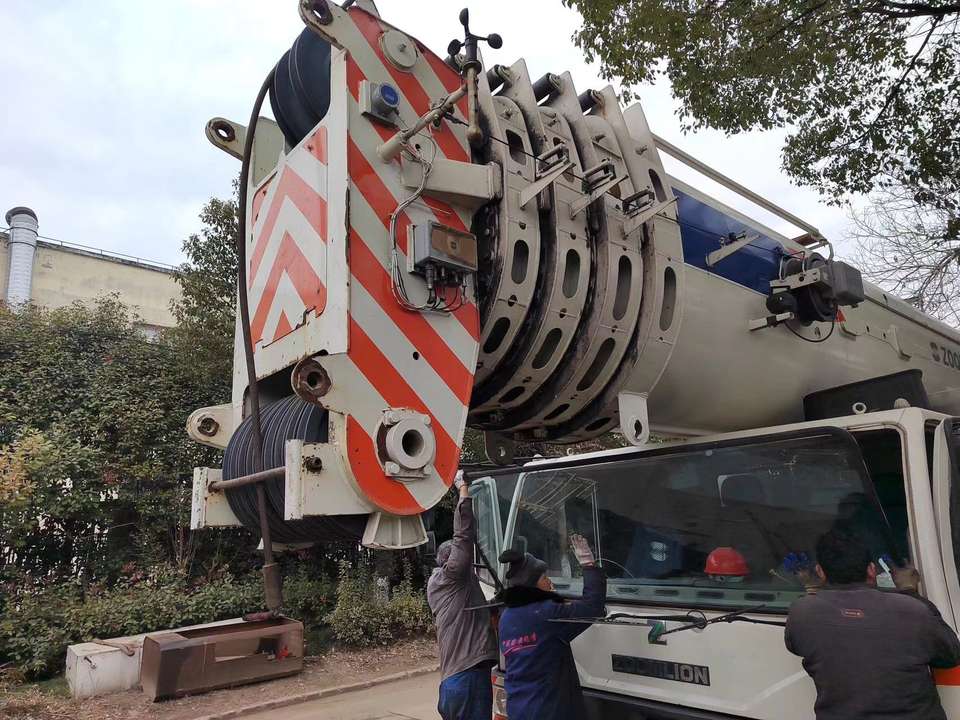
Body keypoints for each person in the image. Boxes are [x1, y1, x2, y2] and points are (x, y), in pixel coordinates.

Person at [785, 527, 960, 720]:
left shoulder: (802, 613)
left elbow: (797, 644)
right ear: (871, 570)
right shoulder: (912, 611)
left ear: (820, 571)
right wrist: (909, 591)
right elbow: (951, 655)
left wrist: (812, 589)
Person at [497, 534, 606, 720]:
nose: (549, 582)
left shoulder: (506, 617)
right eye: (544, 577)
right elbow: (592, 607)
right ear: (532, 586)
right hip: (549, 710)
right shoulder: (547, 613)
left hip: (518, 709)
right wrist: (588, 564)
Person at [426, 474, 498, 720]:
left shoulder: (444, 588)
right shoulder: (454, 576)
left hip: (453, 683)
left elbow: (475, 610)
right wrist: (463, 489)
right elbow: (464, 537)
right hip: (468, 678)